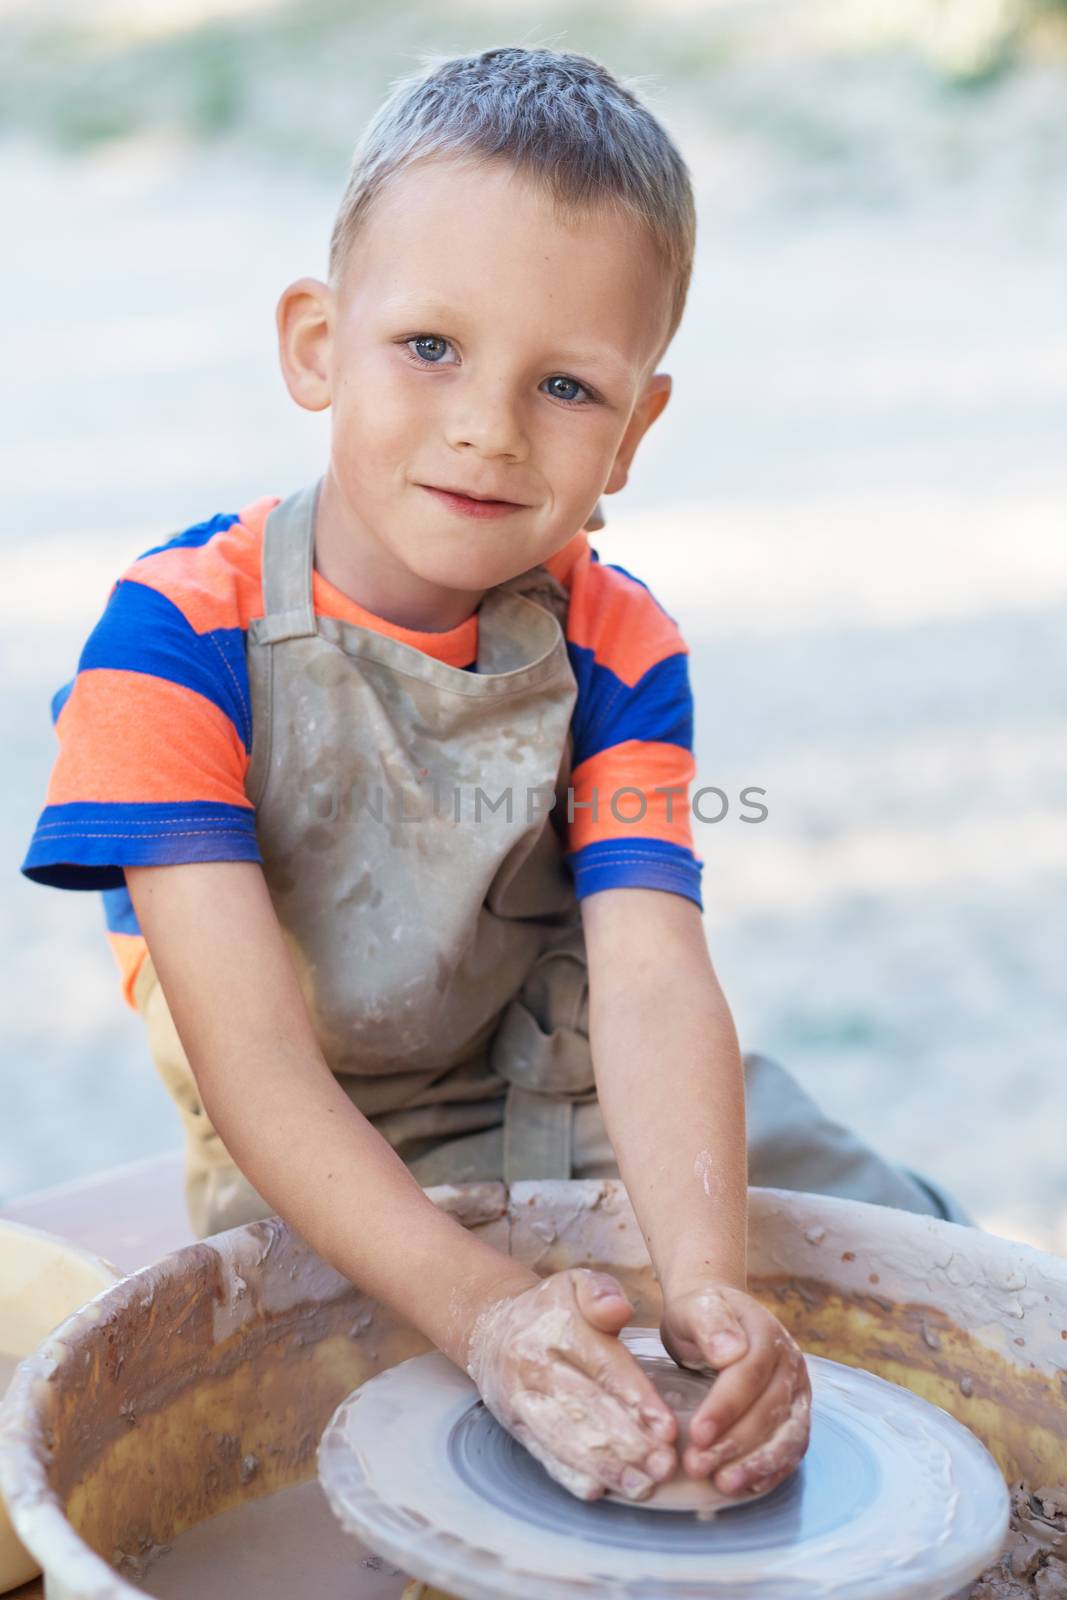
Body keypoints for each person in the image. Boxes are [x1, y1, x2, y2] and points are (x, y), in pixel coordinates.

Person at [21, 46, 972, 1510]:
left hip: (582, 1083)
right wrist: (480, 1310)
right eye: (429, 349)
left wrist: (707, 1289)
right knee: (313, 1467)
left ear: (637, 429)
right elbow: (256, 1068)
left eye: (569, 384)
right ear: (316, 342)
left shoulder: (619, 641)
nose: (490, 427)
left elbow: (653, 976)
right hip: (330, 1150)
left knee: (930, 1284)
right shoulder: (172, 640)